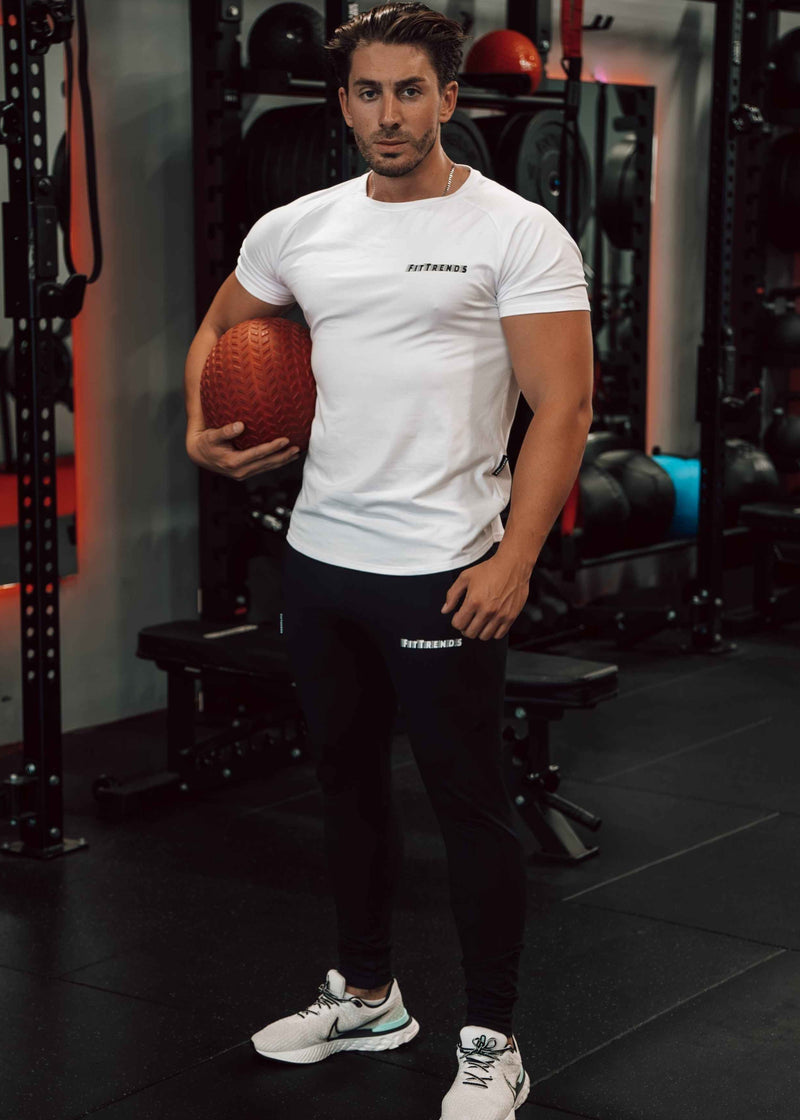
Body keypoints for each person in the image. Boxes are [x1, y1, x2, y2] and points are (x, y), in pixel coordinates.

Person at [184, 4, 593, 1116]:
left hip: (442, 569)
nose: (389, 114)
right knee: (346, 785)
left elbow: (562, 406)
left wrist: (515, 559)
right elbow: (220, 326)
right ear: (343, 102)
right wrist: (198, 427)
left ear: (448, 98)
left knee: (468, 803)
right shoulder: (299, 226)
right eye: (368, 92)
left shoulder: (516, 232)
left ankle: (492, 1037)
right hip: (320, 561)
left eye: (410, 90)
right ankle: (368, 996)